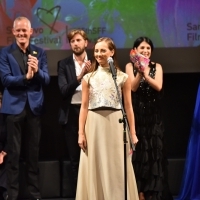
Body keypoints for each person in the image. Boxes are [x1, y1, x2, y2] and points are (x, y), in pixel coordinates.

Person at [76, 37, 139, 200]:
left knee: (116, 165)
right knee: (96, 165)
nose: (98, 54)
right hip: (94, 125)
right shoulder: (88, 78)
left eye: (103, 50)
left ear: (112, 52)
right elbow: (83, 106)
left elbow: (129, 107)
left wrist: (132, 133)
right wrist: (81, 133)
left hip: (116, 124)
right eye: (96, 50)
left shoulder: (123, 77)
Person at [0, 16, 50, 200]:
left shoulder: (39, 52)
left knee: (33, 154)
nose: (21, 33)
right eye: (18, 30)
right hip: (13, 108)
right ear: (13, 32)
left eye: (24, 30)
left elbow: (46, 79)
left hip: (34, 108)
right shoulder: (5, 53)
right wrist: (26, 78)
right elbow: (5, 80)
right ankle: (11, 195)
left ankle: (34, 194)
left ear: (31, 32)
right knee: (13, 155)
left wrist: (36, 73)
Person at [125, 37, 173, 200]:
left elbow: (158, 86)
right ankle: (139, 193)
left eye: (148, 48)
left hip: (153, 116)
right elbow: (132, 87)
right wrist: (139, 72)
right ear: (135, 50)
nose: (145, 51)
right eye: (142, 48)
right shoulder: (129, 66)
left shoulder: (156, 66)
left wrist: (146, 72)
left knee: (154, 154)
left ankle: (154, 193)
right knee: (139, 155)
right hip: (137, 116)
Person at [57, 29, 91, 195]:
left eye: (78, 40)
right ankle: (79, 195)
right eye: (72, 41)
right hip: (71, 114)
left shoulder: (95, 61)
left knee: (92, 157)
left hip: (92, 113)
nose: (75, 43)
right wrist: (80, 77)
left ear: (86, 42)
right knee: (75, 159)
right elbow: (63, 90)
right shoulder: (64, 64)